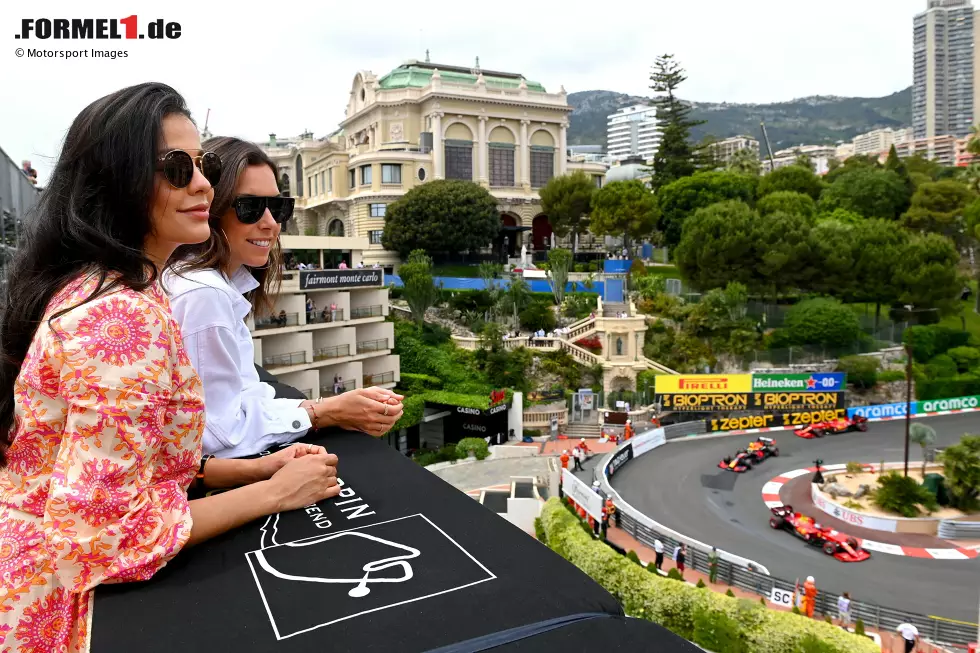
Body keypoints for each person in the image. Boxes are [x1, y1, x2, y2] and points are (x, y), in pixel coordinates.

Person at [0, 83, 342, 652]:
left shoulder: (117, 288)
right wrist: (278, 493)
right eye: (175, 168)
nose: (204, 184)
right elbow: (103, 537)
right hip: (57, 613)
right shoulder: (120, 319)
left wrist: (253, 470)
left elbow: (133, 467)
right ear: (117, 182)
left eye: (200, 165)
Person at [166, 137, 403, 458]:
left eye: (278, 208)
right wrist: (325, 413)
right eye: (249, 208)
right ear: (211, 207)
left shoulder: (217, 285)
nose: (270, 223)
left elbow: (242, 393)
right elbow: (216, 434)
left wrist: (318, 405)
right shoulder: (204, 294)